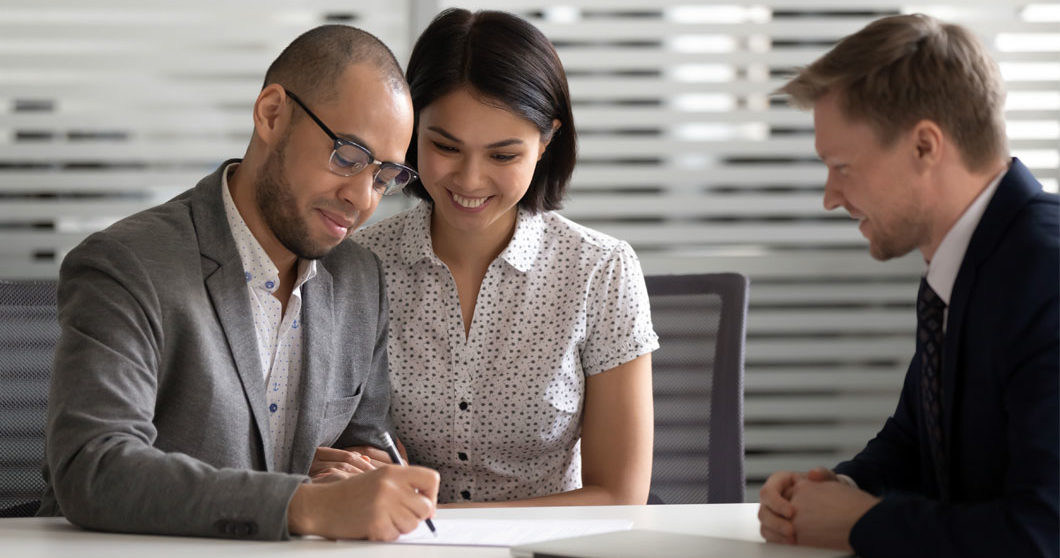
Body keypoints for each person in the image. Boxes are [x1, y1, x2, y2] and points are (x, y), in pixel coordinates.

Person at [37, 25, 439, 541]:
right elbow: (94, 467)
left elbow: (369, 440)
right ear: (272, 114)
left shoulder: (359, 279)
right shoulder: (128, 264)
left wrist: (361, 471)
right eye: (348, 156)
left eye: (383, 177)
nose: (361, 198)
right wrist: (304, 503)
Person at [757, 14, 1059, 558]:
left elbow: (1043, 534)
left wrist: (862, 525)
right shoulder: (967, 263)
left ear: (924, 146)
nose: (830, 197)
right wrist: (830, 494)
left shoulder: (1046, 277)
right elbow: (917, 443)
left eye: (842, 166)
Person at [350, 8, 658, 506]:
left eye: (502, 155)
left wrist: (461, 528)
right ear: (410, 131)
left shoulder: (601, 271)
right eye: (446, 146)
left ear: (546, 141)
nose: (470, 180)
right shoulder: (357, 264)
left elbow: (620, 497)